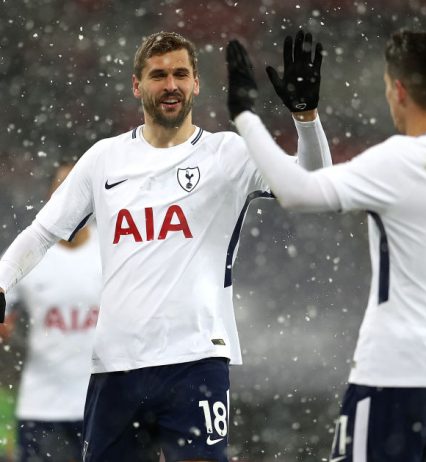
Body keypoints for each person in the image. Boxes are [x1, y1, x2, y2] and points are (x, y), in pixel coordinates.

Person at [0, 30, 331, 462]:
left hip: (195, 363)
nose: (170, 85)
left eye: (180, 73)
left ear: (196, 83)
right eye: (158, 75)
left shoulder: (227, 154)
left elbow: (313, 184)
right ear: (137, 85)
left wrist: (306, 119)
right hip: (115, 367)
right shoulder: (104, 159)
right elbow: (42, 232)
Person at [225, 29, 426, 462]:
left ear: (397, 90)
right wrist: (306, 116)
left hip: (397, 372)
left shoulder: (401, 162)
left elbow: (299, 192)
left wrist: (244, 114)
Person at [0, 163, 101, 462]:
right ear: (49, 198)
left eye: (78, 189)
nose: (71, 198)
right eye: (62, 189)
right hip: (42, 404)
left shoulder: (113, 249)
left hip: (102, 402)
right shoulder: (27, 253)